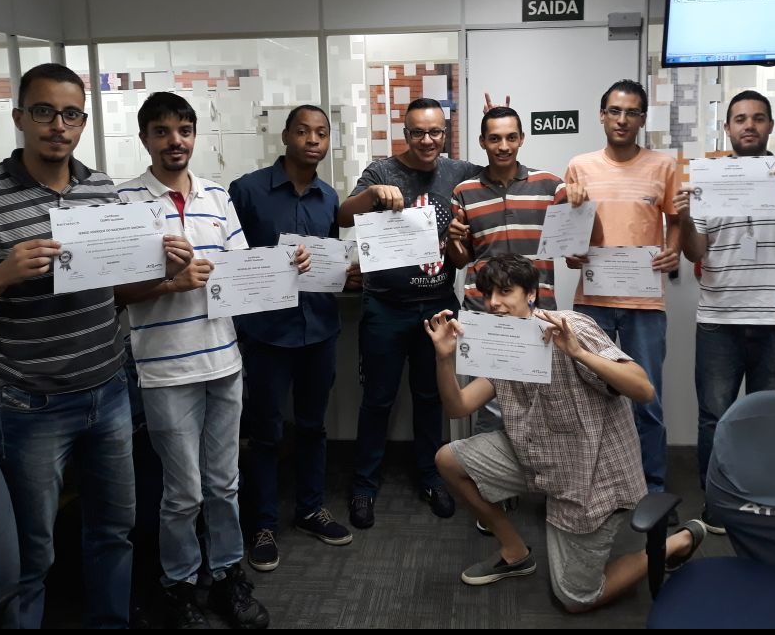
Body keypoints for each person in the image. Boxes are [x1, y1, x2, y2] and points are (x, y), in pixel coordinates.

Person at [0, 63, 156, 628]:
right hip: (33, 405)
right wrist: (2, 274)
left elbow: (117, 291)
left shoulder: (101, 189)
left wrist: (162, 269)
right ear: (20, 117)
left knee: (113, 532)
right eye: (44, 111)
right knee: (31, 554)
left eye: (71, 114)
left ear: (83, 122)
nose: (58, 125)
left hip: (108, 389)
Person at [424, 254, 705, 611]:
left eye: (505, 292)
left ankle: (677, 541)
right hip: (537, 456)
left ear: (530, 294)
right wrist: (444, 359)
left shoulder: (571, 326)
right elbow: (458, 407)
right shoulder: (501, 342)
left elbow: (643, 389)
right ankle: (514, 551)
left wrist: (578, 353)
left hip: (591, 477)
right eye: (488, 294)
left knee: (576, 597)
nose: (494, 303)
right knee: (448, 460)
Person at [115, 92, 292, 629]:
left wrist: (289, 265)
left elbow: (241, 272)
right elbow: (113, 292)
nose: (176, 141)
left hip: (224, 362)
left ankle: (227, 573)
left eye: (185, 130)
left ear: (195, 136)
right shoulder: (124, 203)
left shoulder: (217, 195)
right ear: (145, 138)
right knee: (183, 492)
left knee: (224, 484)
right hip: (165, 369)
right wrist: (169, 281)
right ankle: (179, 583)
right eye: (162, 131)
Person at [674, 89, 775, 532]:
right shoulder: (709, 178)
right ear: (728, 127)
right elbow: (695, 251)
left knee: (766, 419)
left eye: (757, 118)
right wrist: (684, 217)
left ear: (770, 125)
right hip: (719, 319)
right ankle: (716, 503)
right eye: (740, 119)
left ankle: (759, 502)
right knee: (714, 418)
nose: (749, 126)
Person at [337, 97, 482, 529]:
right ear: (406, 134)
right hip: (385, 306)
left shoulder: (459, 172)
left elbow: (500, 176)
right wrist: (370, 196)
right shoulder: (382, 171)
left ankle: (431, 476)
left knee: (430, 396)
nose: (427, 140)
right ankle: (364, 485)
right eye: (418, 132)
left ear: (446, 133)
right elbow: (342, 215)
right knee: (377, 398)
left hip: (438, 305)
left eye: (435, 131)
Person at [229, 105, 358, 573]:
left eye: (321, 133)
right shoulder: (246, 190)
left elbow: (327, 262)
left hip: (318, 329)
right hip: (266, 332)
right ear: (285, 135)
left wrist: (346, 274)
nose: (312, 140)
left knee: (313, 427)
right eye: (303, 131)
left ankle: (310, 509)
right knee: (265, 433)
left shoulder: (329, 197)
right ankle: (264, 524)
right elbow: (231, 258)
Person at [563, 79, 681, 503]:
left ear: (642, 119)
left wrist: (673, 251)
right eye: (614, 111)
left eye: (632, 112)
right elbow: (570, 235)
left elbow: (676, 220)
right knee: (589, 398)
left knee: (646, 399)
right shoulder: (580, 166)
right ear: (602, 115)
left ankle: (652, 491)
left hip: (644, 303)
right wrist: (572, 252)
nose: (622, 119)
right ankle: (593, 487)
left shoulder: (663, 166)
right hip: (591, 300)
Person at [447, 103, 564, 455]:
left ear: (522, 139)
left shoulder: (551, 185)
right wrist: (453, 241)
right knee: (492, 407)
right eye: (495, 138)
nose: (503, 146)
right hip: (485, 312)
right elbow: (461, 259)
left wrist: (582, 201)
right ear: (482, 142)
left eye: (511, 137)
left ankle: (541, 478)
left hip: (537, 311)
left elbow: (575, 246)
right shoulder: (464, 191)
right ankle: (488, 479)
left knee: (542, 405)